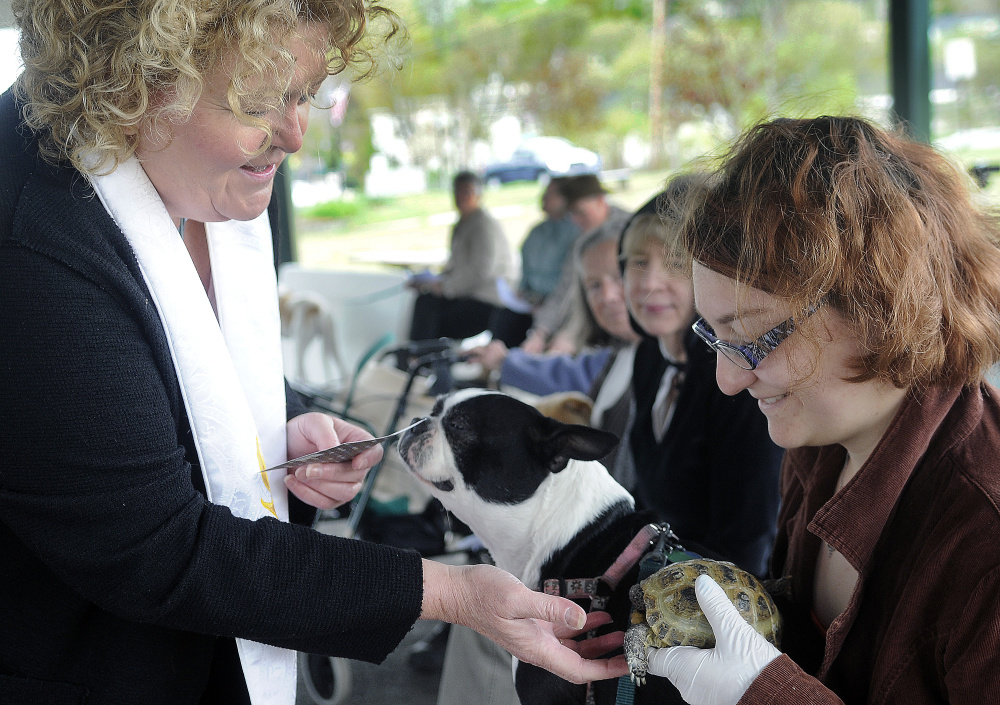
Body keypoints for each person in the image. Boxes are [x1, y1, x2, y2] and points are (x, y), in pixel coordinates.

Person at [0, 2, 628, 703]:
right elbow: (153, 545)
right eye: (260, 101)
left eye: (305, 94)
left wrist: (282, 425)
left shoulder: (184, 167)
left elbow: (191, 366)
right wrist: (448, 592)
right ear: (136, 79)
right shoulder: (32, 239)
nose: (295, 134)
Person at [646, 116, 1000, 703]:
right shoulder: (818, 448)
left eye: (753, 336)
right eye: (714, 337)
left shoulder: (984, 539)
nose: (729, 380)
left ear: (880, 305)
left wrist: (767, 693)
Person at [620, 181, 783, 578]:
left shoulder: (739, 379)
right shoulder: (649, 357)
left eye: (675, 263)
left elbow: (747, 541)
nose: (649, 282)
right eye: (638, 262)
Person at [467, 222, 641, 487]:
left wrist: (506, 361)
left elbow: (570, 376)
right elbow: (574, 372)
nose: (608, 296)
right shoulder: (618, 356)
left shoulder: (660, 365)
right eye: (594, 285)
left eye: (618, 277)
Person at [522, 173, 631, 355]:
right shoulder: (580, 242)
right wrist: (539, 333)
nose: (575, 220)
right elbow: (563, 290)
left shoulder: (630, 232)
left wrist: (571, 335)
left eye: (580, 212)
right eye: (571, 214)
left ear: (600, 200)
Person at [407, 171, 520, 345]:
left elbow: (480, 272)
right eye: (457, 192)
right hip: (467, 294)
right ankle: (421, 357)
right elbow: (456, 266)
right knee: (425, 302)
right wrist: (432, 281)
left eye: (467, 192)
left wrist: (445, 287)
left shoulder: (483, 225)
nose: (461, 197)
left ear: (478, 195)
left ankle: (420, 358)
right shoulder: (462, 223)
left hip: (487, 300)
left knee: (429, 311)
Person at [487, 177, 580, 347]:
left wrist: (543, 302)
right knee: (504, 317)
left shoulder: (576, 233)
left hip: (558, 304)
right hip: (530, 301)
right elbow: (526, 270)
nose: (544, 198)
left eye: (550, 194)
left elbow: (568, 284)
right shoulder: (537, 231)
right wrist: (523, 291)